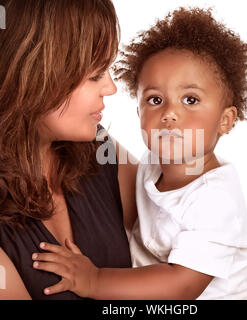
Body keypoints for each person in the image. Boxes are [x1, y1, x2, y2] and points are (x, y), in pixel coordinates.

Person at [32, 7, 247, 299]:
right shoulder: (150, 166)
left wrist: (94, 280)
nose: (170, 113)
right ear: (138, 112)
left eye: (190, 99)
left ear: (225, 120)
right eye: (155, 99)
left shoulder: (216, 199)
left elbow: (181, 286)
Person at [0, 0, 138, 300]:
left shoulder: (100, 150)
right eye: (94, 74)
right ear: (33, 75)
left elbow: (188, 224)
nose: (111, 87)